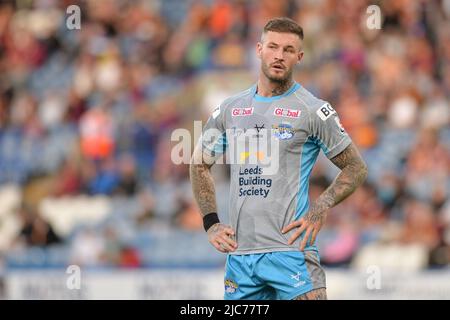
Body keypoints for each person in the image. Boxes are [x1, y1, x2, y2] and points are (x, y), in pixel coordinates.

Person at [190, 17, 368, 300]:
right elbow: (199, 163)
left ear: (299, 57)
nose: (279, 55)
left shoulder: (313, 110)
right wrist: (211, 222)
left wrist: (320, 208)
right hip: (241, 257)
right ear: (259, 49)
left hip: (291, 251)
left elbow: (355, 167)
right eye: (273, 47)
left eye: (288, 50)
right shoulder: (230, 109)